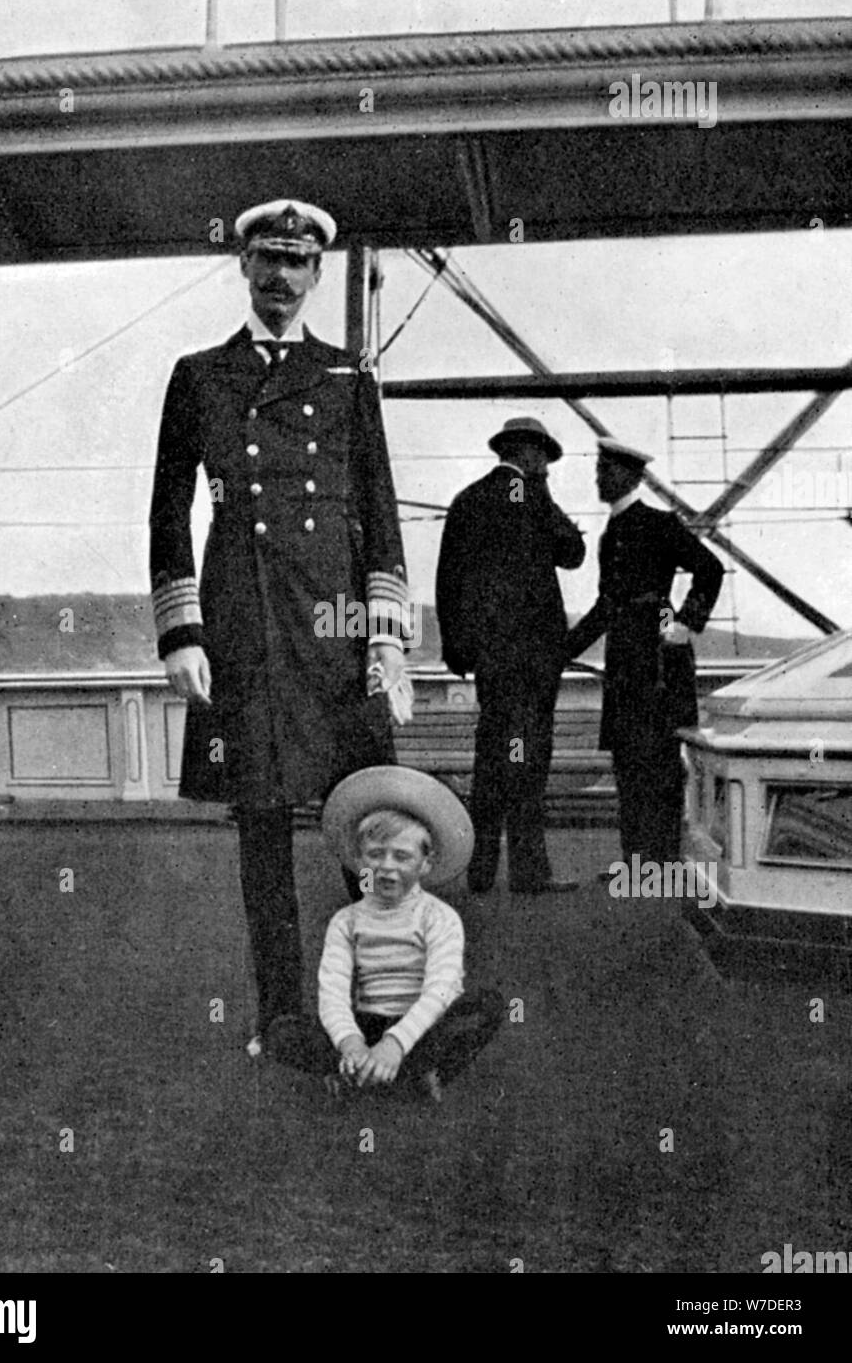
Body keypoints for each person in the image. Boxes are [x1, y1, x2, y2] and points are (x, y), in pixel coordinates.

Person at [148, 199, 411, 1053]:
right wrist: (182, 631)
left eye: (297, 264)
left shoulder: (346, 377)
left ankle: (377, 1008)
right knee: (261, 825)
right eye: (267, 260)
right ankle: (284, 1016)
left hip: (333, 623)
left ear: (316, 275)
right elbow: (167, 510)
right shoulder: (198, 375)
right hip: (243, 624)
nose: (281, 278)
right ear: (244, 268)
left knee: (362, 819)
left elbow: (379, 508)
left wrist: (384, 638)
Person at [266, 765, 504, 1100]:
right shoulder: (346, 921)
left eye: (403, 856)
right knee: (281, 1032)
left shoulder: (440, 918)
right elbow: (332, 992)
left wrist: (395, 1044)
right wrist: (351, 1042)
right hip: (367, 1025)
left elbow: (441, 989)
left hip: (420, 1026)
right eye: (376, 855)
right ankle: (364, 1068)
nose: (387, 866)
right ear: (361, 860)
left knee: (486, 1007)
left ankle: (403, 1070)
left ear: (426, 863)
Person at [435, 416, 586, 897]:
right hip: (535, 657)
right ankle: (528, 871)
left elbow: (448, 579)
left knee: (494, 753)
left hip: (491, 658)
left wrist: (458, 648)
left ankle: (479, 870)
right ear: (533, 456)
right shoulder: (534, 498)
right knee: (529, 755)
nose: (545, 467)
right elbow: (573, 552)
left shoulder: (467, 500)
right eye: (544, 459)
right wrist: (554, 507)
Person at [565, 439, 724, 868]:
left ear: (630, 476)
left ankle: (664, 861)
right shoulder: (610, 533)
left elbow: (709, 569)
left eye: (606, 471)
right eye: (599, 470)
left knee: (660, 762)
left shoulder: (660, 523)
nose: (598, 478)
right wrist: (564, 650)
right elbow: (605, 606)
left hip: (658, 660)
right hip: (624, 661)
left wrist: (684, 625)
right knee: (628, 761)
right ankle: (637, 862)